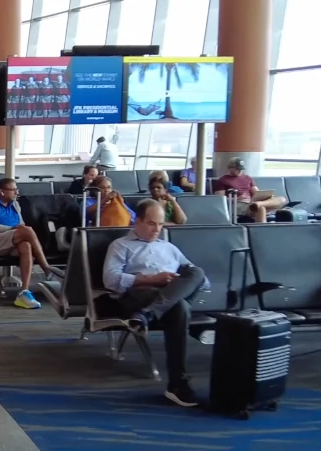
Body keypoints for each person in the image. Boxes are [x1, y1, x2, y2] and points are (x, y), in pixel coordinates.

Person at [98, 199, 208, 407]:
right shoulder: (121, 246)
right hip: (139, 294)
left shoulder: (169, 248)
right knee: (181, 307)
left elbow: (201, 279)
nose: (157, 229)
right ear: (137, 221)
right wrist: (151, 279)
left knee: (196, 273)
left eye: (160, 224)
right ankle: (177, 383)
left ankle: (148, 314)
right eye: (151, 223)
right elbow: (111, 280)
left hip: (166, 296)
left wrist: (177, 281)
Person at [0, 178, 54, 309]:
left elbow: (20, 224)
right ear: (2, 192)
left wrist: (17, 230)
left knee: (26, 245)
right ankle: (47, 270)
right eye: (13, 190)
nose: (17, 192)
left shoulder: (16, 205)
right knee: (26, 230)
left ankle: (24, 292)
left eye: (17, 189)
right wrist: (10, 229)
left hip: (11, 241)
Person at [213, 157, 286, 223]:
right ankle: (263, 228)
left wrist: (266, 196)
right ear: (230, 168)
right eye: (237, 169)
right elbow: (220, 200)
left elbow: (257, 192)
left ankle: (258, 204)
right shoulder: (223, 180)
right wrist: (238, 198)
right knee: (261, 208)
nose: (240, 171)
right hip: (238, 203)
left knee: (282, 199)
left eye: (241, 169)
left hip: (252, 202)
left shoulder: (247, 178)